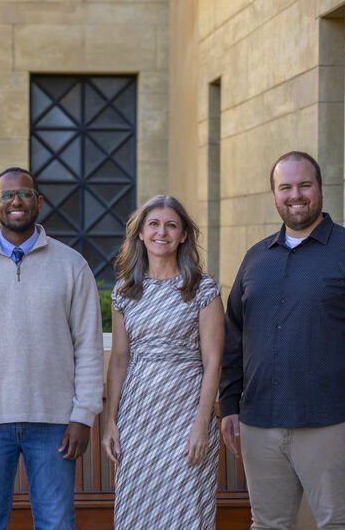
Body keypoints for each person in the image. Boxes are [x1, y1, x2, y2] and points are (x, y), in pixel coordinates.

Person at [219, 151, 345, 529]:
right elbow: (233, 334)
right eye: (285, 187)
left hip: (331, 421)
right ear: (274, 195)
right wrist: (229, 402)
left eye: (304, 185)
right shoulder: (255, 258)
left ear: (320, 189)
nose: (295, 195)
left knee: (339, 522)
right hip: (260, 422)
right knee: (267, 524)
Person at [0, 167, 104, 530]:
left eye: (25, 194)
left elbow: (88, 346)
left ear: (38, 202)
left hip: (55, 422)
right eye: (8, 195)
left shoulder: (72, 265)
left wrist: (83, 414)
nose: (17, 201)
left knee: (57, 523)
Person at [102, 195, 224, 529]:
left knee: (187, 509)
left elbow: (213, 361)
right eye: (153, 224)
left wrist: (202, 424)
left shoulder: (202, 288)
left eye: (172, 225)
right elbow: (119, 360)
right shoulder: (125, 290)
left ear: (184, 235)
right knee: (138, 511)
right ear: (140, 233)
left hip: (185, 416)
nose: (162, 232)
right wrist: (111, 421)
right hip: (137, 418)